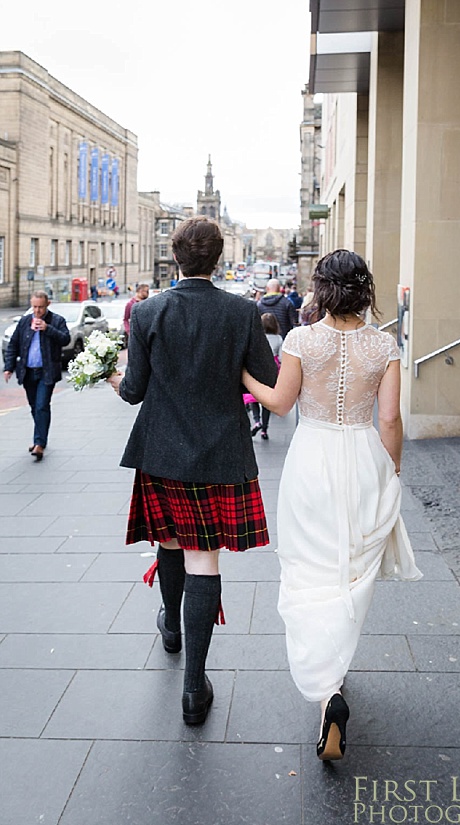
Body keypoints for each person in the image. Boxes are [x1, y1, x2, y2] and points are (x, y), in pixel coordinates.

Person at [242, 249, 422, 761]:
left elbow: (279, 402)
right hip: (363, 455)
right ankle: (335, 675)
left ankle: (328, 691)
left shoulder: (302, 339)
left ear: (322, 288)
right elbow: (389, 419)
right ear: (364, 289)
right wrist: (393, 469)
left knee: (307, 566)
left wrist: (244, 377)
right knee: (351, 566)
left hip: (313, 459)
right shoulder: (384, 345)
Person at [107, 216, 278, 726]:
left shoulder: (149, 310)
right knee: (203, 558)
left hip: (161, 452)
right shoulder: (241, 311)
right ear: (218, 258)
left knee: (170, 539)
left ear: (175, 258)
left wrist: (109, 375)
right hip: (220, 453)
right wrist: (229, 366)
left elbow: (133, 390)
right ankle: (193, 686)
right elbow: (263, 381)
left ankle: (173, 631)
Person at [3, 291, 70, 461]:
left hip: (46, 371)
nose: (37, 311)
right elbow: (14, 345)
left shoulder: (57, 320)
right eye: (34, 307)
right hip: (27, 372)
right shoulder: (25, 321)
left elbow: (65, 339)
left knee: (41, 406)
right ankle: (40, 437)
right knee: (34, 407)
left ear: (48, 304)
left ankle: (39, 443)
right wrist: (9, 367)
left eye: (40, 307)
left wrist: (48, 329)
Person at [247, 313, 282, 440]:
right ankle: (264, 430)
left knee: (253, 398)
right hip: (271, 369)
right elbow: (282, 357)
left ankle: (257, 421)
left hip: (256, 368)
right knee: (267, 400)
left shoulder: (257, 337)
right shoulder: (278, 338)